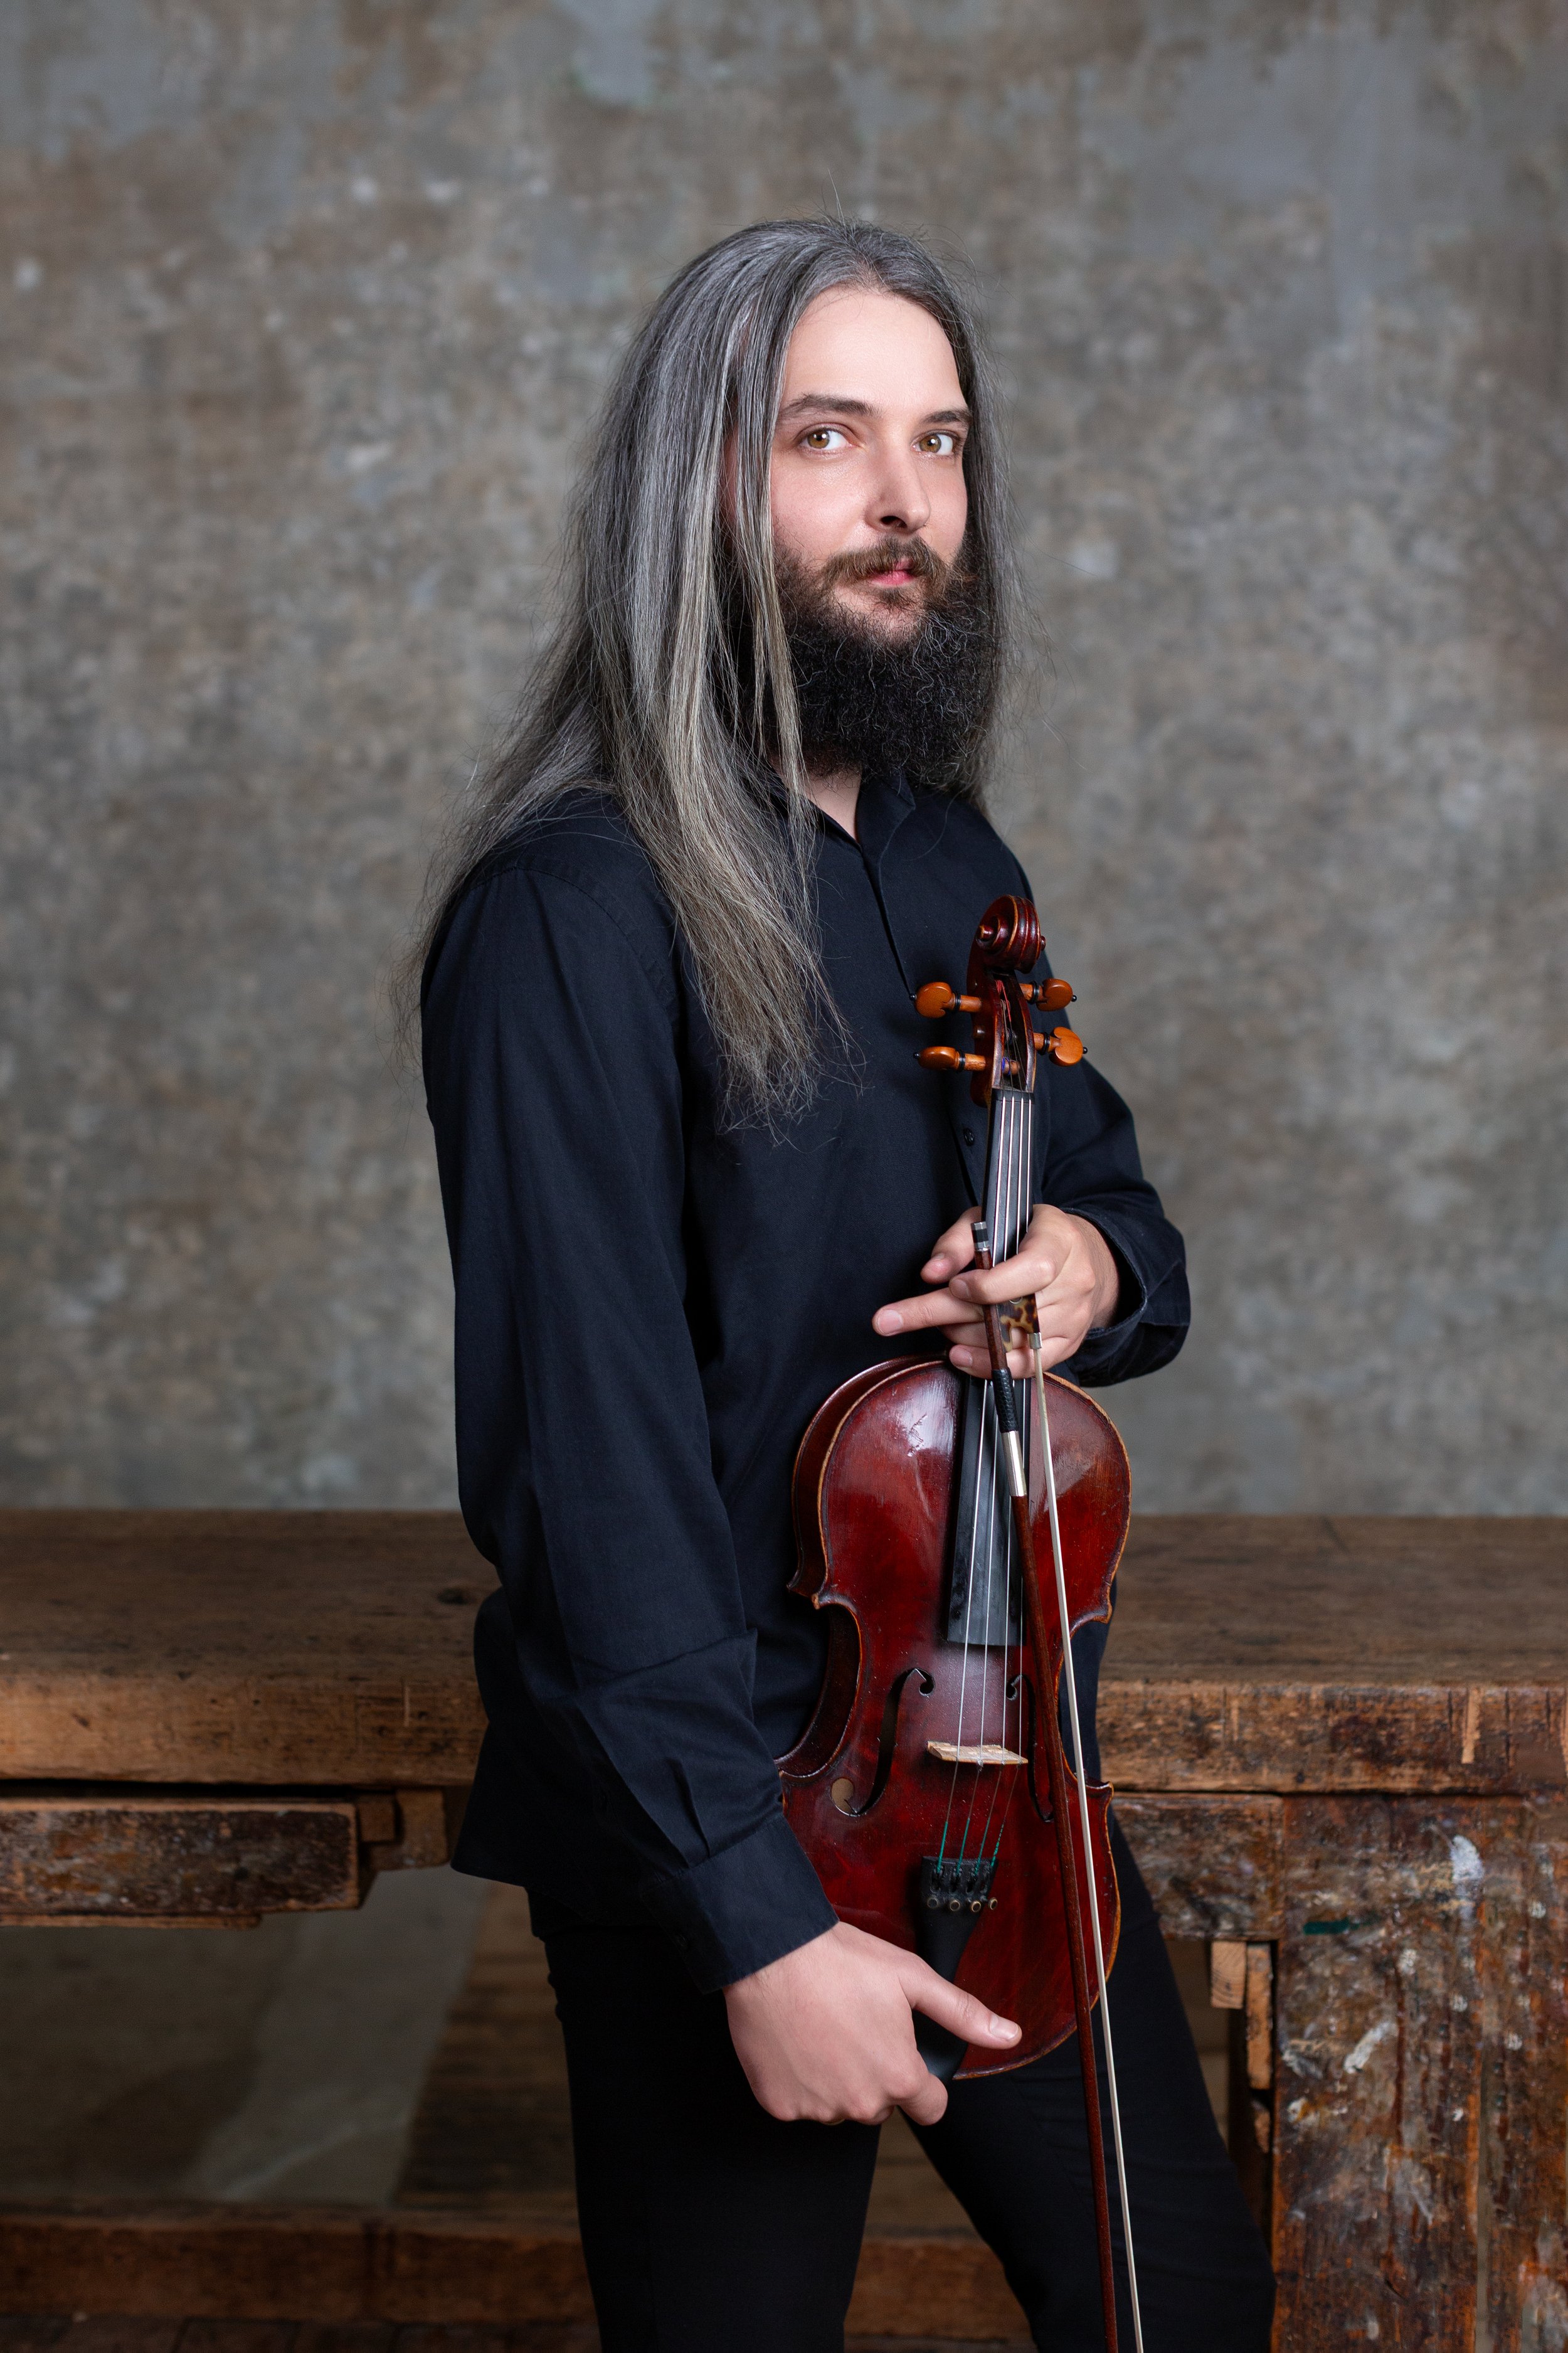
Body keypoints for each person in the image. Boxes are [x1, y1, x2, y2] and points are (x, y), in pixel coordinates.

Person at [418, 218, 1274, 2352]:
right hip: (710, 1818)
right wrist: (753, 1924)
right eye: (830, 438)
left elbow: (1128, 1227)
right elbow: (587, 1477)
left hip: (994, 1764)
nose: (907, 503)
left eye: (941, 442)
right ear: (703, 483)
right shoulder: (572, 911)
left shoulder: (952, 865)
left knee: (1178, 2307)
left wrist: (1077, 1263)